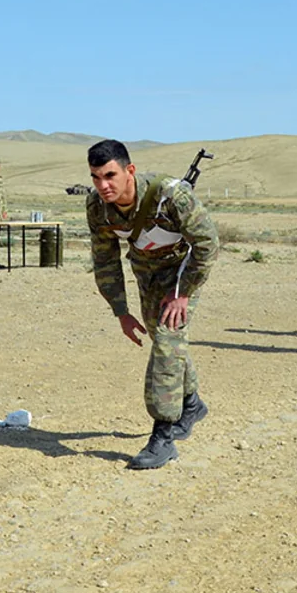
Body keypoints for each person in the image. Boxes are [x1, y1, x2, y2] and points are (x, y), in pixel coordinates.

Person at [85, 140, 219, 470]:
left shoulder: (171, 195)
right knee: (166, 344)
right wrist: (121, 311)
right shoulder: (98, 207)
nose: (104, 185)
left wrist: (183, 292)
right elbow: (105, 261)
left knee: (167, 340)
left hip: (183, 272)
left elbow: (208, 244)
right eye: (95, 177)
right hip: (146, 273)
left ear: (129, 171)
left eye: (110, 175)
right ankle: (191, 404)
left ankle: (163, 436)